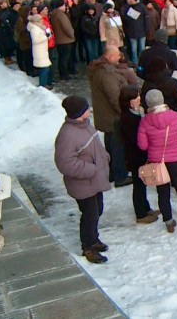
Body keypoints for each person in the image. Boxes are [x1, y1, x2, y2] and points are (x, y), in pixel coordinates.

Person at [54, 96, 111, 264]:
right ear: (80, 112)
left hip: (93, 181)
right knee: (90, 214)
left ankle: (93, 239)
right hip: (82, 183)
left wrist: (104, 157)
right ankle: (88, 247)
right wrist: (92, 169)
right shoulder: (68, 134)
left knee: (97, 209)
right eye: (86, 107)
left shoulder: (84, 125)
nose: (89, 109)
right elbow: (65, 163)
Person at [137, 89, 177, 233]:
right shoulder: (176, 117)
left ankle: (169, 223)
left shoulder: (145, 121)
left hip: (156, 162)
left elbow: (143, 145)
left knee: (162, 192)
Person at [87, 45, 133, 187]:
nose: (120, 58)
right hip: (113, 117)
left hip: (106, 117)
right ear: (111, 56)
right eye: (118, 55)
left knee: (112, 147)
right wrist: (124, 112)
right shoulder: (106, 74)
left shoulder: (99, 69)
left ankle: (113, 173)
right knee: (117, 148)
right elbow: (114, 97)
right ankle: (120, 176)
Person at [118, 85, 160, 224]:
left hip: (138, 155)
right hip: (135, 156)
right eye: (136, 96)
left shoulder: (133, 114)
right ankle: (141, 214)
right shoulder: (128, 118)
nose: (139, 98)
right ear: (130, 100)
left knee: (142, 183)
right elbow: (136, 138)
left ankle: (145, 207)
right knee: (139, 185)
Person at [27, 12, 53, 88]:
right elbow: (35, 40)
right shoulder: (34, 28)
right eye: (40, 19)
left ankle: (43, 84)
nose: (42, 20)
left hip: (42, 50)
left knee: (45, 68)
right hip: (39, 51)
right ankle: (42, 85)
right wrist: (45, 37)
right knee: (44, 68)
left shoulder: (39, 27)